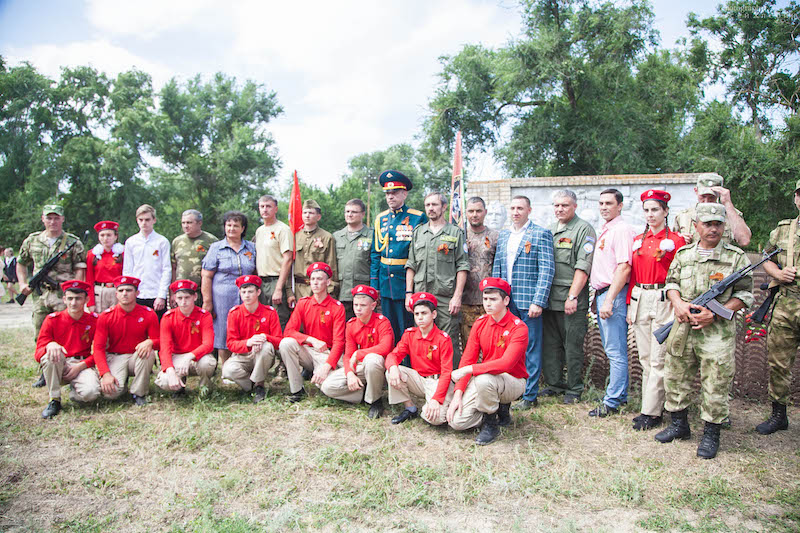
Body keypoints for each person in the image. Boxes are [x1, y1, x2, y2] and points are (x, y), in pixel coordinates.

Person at [655, 203, 752, 459]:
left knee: (716, 381)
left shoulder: (736, 257)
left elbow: (744, 293)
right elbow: (671, 282)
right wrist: (678, 303)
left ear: (724, 226)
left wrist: (718, 310)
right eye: (707, 224)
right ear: (696, 226)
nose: (713, 229)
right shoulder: (684, 254)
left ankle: (711, 433)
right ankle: (679, 425)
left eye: (718, 224)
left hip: (716, 332)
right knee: (675, 375)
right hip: (683, 326)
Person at [626, 190, 686, 430]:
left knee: (659, 357)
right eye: (647, 210)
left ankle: (652, 412)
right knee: (645, 357)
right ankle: (651, 407)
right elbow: (632, 274)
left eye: (655, 210)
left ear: (666, 211)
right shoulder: (640, 240)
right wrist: (631, 303)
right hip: (641, 296)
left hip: (664, 298)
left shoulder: (677, 240)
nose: (650, 215)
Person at [447, 278, 529, 445]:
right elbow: (468, 357)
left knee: (483, 379)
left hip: (513, 381)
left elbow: (506, 364)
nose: (488, 304)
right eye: (485, 299)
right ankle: (496, 407)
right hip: (487, 380)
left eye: (493, 299)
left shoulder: (518, 327)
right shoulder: (480, 323)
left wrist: (468, 370)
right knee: (457, 422)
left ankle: (491, 423)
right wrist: (458, 394)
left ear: (506, 301)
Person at [491, 195, 555, 410]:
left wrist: (539, 301)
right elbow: (498, 268)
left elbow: (547, 270)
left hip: (529, 302)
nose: (515, 212)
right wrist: (496, 299)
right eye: (513, 208)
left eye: (520, 208)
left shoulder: (540, 234)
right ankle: (512, 390)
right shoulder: (505, 235)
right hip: (507, 303)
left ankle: (530, 395)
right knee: (509, 348)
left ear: (529, 210)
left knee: (531, 348)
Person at [540, 190, 595, 404]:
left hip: (571, 299)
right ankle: (554, 384)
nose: (560, 209)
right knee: (551, 344)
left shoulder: (583, 229)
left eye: (564, 205)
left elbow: (583, 266)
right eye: (556, 206)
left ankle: (574, 388)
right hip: (550, 298)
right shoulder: (550, 230)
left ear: (575, 206)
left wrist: (573, 296)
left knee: (572, 345)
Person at [405, 192, 469, 365]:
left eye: (434, 205)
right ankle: (427, 379)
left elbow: (462, 266)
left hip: (445, 296)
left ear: (444, 207)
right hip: (421, 296)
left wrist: (457, 296)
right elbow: (411, 264)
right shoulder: (419, 232)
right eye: (427, 205)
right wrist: (409, 294)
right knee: (423, 338)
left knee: (448, 340)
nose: (431, 209)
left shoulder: (455, 233)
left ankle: (451, 381)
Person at [588, 189, 636, 418]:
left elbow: (624, 267)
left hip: (613, 295)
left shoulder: (621, 230)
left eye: (609, 203)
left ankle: (613, 401)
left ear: (620, 205)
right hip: (603, 293)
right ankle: (619, 395)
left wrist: (608, 300)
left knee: (616, 351)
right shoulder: (607, 230)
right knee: (612, 349)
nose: (604, 207)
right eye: (601, 203)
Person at [757, 179, 800, 435]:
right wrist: (778, 273)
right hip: (786, 303)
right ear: (796, 198)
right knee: (778, 362)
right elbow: (766, 257)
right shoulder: (783, 230)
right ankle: (778, 415)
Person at [319, 284, 394, 418]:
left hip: (380, 369)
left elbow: (385, 347)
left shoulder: (382, 322)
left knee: (372, 359)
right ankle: (363, 393)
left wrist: (358, 354)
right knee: (327, 386)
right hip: (361, 367)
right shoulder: (352, 324)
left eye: (363, 305)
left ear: (373, 305)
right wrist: (350, 374)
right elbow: (348, 355)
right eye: (356, 305)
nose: (358, 309)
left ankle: (375, 401)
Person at [371, 170, 427, 342]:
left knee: (408, 329)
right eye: (387, 193)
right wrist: (375, 286)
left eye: (394, 192)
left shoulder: (417, 218)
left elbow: (420, 254)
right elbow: (375, 253)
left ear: (404, 193)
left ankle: (408, 367)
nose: (390, 197)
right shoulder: (380, 219)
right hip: (385, 283)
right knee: (388, 330)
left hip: (406, 283)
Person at [280, 262, 346, 402]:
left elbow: (339, 343)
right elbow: (288, 331)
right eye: (312, 279)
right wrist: (311, 340)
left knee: (325, 384)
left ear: (328, 282)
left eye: (319, 279)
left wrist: (327, 366)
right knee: (286, 343)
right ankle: (297, 389)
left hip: (326, 353)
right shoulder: (304, 303)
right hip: (309, 351)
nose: (315, 283)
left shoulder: (337, 307)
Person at [17, 204, 87, 337]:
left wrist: (74, 291)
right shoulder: (33, 240)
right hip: (40, 294)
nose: (53, 222)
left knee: (65, 331)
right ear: (43, 219)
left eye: (56, 218)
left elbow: (80, 268)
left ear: (63, 219)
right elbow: (21, 263)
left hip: (63, 294)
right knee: (40, 331)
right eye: (49, 218)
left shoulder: (73, 242)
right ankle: (42, 357)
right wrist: (22, 283)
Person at [385, 292, 454, 426]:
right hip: (418, 379)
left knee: (436, 419)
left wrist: (436, 399)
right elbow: (393, 355)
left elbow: (446, 372)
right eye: (417, 314)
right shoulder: (409, 334)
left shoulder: (443, 339)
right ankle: (410, 408)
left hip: (436, 381)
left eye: (424, 313)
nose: (420, 318)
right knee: (391, 371)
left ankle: (431, 406)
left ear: (433, 314)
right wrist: (393, 367)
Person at [35, 280, 100, 418]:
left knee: (91, 393)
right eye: (70, 298)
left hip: (81, 364)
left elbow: (101, 351)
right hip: (60, 364)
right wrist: (49, 345)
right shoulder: (52, 320)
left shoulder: (94, 320)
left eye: (78, 298)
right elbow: (38, 352)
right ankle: (55, 400)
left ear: (86, 299)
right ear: (64, 299)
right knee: (51, 354)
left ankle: (75, 390)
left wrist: (81, 366)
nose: (73, 303)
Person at [201, 211, 257, 368]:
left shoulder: (251, 247)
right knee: (223, 328)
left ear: (243, 228)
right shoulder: (216, 248)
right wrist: (207, 301)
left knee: (246, 327)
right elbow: (206, 275)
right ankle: (225, 366)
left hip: (247, 296)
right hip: (222, 296)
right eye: (229, 225)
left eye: (236, 225)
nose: (232, 228)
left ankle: (245, 365)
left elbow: (255, 272)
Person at [93, 276, 160, 406]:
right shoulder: (106, 316)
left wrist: (150, 342)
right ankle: (121, 386)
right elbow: (98, 348)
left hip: (137, 357)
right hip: (115, 357)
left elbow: (159, 341)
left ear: (137, 293)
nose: (125, 294)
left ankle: (139, 392)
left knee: (149, 353)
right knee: (110, 394)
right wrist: (105, 374)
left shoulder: (148, 314)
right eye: (121, 290)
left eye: (129, 290)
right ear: (116, 294)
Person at [222, 275, 282, 403]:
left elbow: (278, 341)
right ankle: (251, 386)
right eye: (243, 292)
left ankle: (259, 384)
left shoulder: (269, 312)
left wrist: (264, 337)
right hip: (242, 356)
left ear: (258, 292)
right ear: (240, 293)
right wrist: (248, 342)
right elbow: (231, 343)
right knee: (227, 370)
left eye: (250, 291)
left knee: (266, 347)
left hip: (262, 356)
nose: (247, 295)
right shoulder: (235, 313)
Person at [154, 280, 216, 396]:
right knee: (165, 381)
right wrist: (170, 370)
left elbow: (208, 344)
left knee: (207, 363)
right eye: (180, 298)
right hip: (177, 357)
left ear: (195, 297)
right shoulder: (168, 318)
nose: (183, 302)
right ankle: (178, 387)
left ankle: (205, 388)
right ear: (175, 299)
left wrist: (189, 356)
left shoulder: (204, 316)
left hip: (197, 357)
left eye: (187, 297)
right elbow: (165, 348)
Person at [672, 174, 751, 247]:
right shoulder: (683, 216)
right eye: (703, 196)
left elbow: (744, 240)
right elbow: (671, 247)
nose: (706, 201)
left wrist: (727, 203)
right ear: (696, 191)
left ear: (719, 194)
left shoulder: (730, 214)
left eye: (711, 197)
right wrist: (679, 240)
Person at [461, 197, 499, 347]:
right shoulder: (460, 235)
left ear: (485, 212)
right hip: (466, 301)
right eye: (471, 211)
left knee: (491, 344)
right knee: (469, 344)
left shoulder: (496, 236)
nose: (474, 214)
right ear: (466, 213)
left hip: (489, 301)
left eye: (478, 211)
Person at [122, 204, 171, 319]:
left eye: (147, 219)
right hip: (137, 294)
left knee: (157, 330)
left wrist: (161, 295)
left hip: (155, 294)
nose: (144, 223)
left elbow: (166, 270)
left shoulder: (162, 242)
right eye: (141, 220)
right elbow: (128, 270)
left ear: (154, 220)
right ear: (137, 220)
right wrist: (129, 293)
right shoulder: (131, 242)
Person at [253, 194, 294, 327]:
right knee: (263, 320)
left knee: (278, 320)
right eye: (262, 206)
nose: (265, 209)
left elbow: (288, 259)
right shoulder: (259, 231)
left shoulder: (283, 229)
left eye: (268, 206)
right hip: (261, 282)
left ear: (275, 209)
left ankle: (280, 348)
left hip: (276, 280)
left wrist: (278, 288)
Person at [333, 199, 374, 319]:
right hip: (342, 291)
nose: (350, 215)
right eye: (347, 211)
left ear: (363, 214)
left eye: (354, 212)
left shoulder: (372, 235)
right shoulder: (337, 237)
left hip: (364, 292)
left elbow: (376, 264)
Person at [171, 209, 217, 308]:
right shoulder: (177, 242)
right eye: (183, 223)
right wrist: (172, 293)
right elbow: (173, 267)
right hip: (181, 293)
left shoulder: (211, 241)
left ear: (199, 223)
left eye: (189, 222)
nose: (185, 226)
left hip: (202, 293)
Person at [293, 199, 338, 299]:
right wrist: (289, 291)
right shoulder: (295, 237)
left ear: (318, 217)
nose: (307, 215)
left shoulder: (326, 237)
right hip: (298, 288)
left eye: (311, 213)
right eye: (305, 212)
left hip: (319, 289)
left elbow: (331, 265)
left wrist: (330, 290)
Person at [85, 220, 124, 313]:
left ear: (115, 236)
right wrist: (90, 303)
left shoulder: (123, 254)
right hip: (99, 292)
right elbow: (89, 279)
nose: (105, 238)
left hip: (117, 292)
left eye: (109, 235)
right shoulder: (92, 254)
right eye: (102, 235)